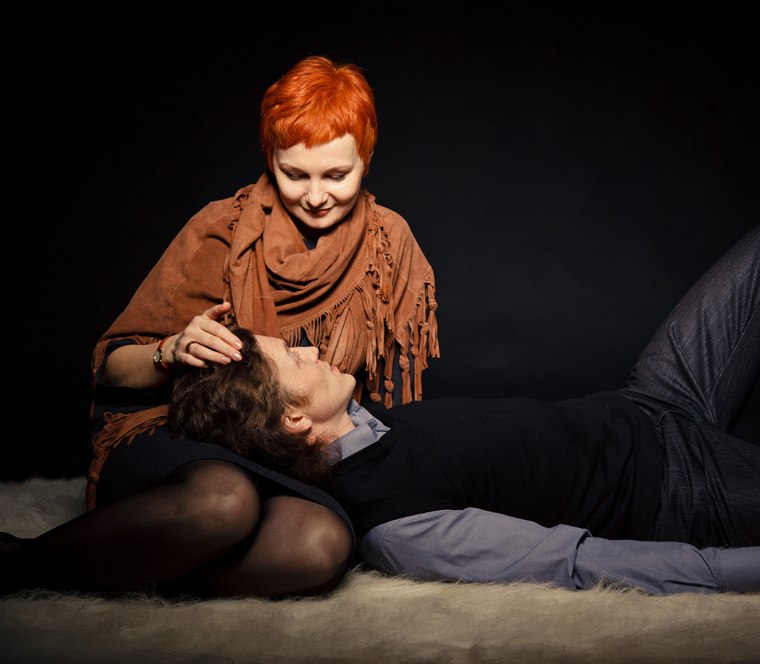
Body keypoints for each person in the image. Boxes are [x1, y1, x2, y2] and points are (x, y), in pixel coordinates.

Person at [166, 215, 760, 599]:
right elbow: (579, 561)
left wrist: (186, 353)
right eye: (293, 359)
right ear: (294, 421)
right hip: (682, 492)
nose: (311, 348)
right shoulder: (399, 526)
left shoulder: (369, 420)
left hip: (652, 401)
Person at [0, 56, 439, 598]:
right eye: (295, 174)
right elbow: (111, 367)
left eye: (336, 175)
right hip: (182, 431)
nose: (315, 195)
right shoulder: (220, 229)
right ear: (270, 158)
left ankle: (125, 562)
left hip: (291, 452)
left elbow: (384, 407)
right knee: (225, 502)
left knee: (321, 545)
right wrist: (171, 350)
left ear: (365, 161)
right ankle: (16, 562)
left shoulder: (388, 244)